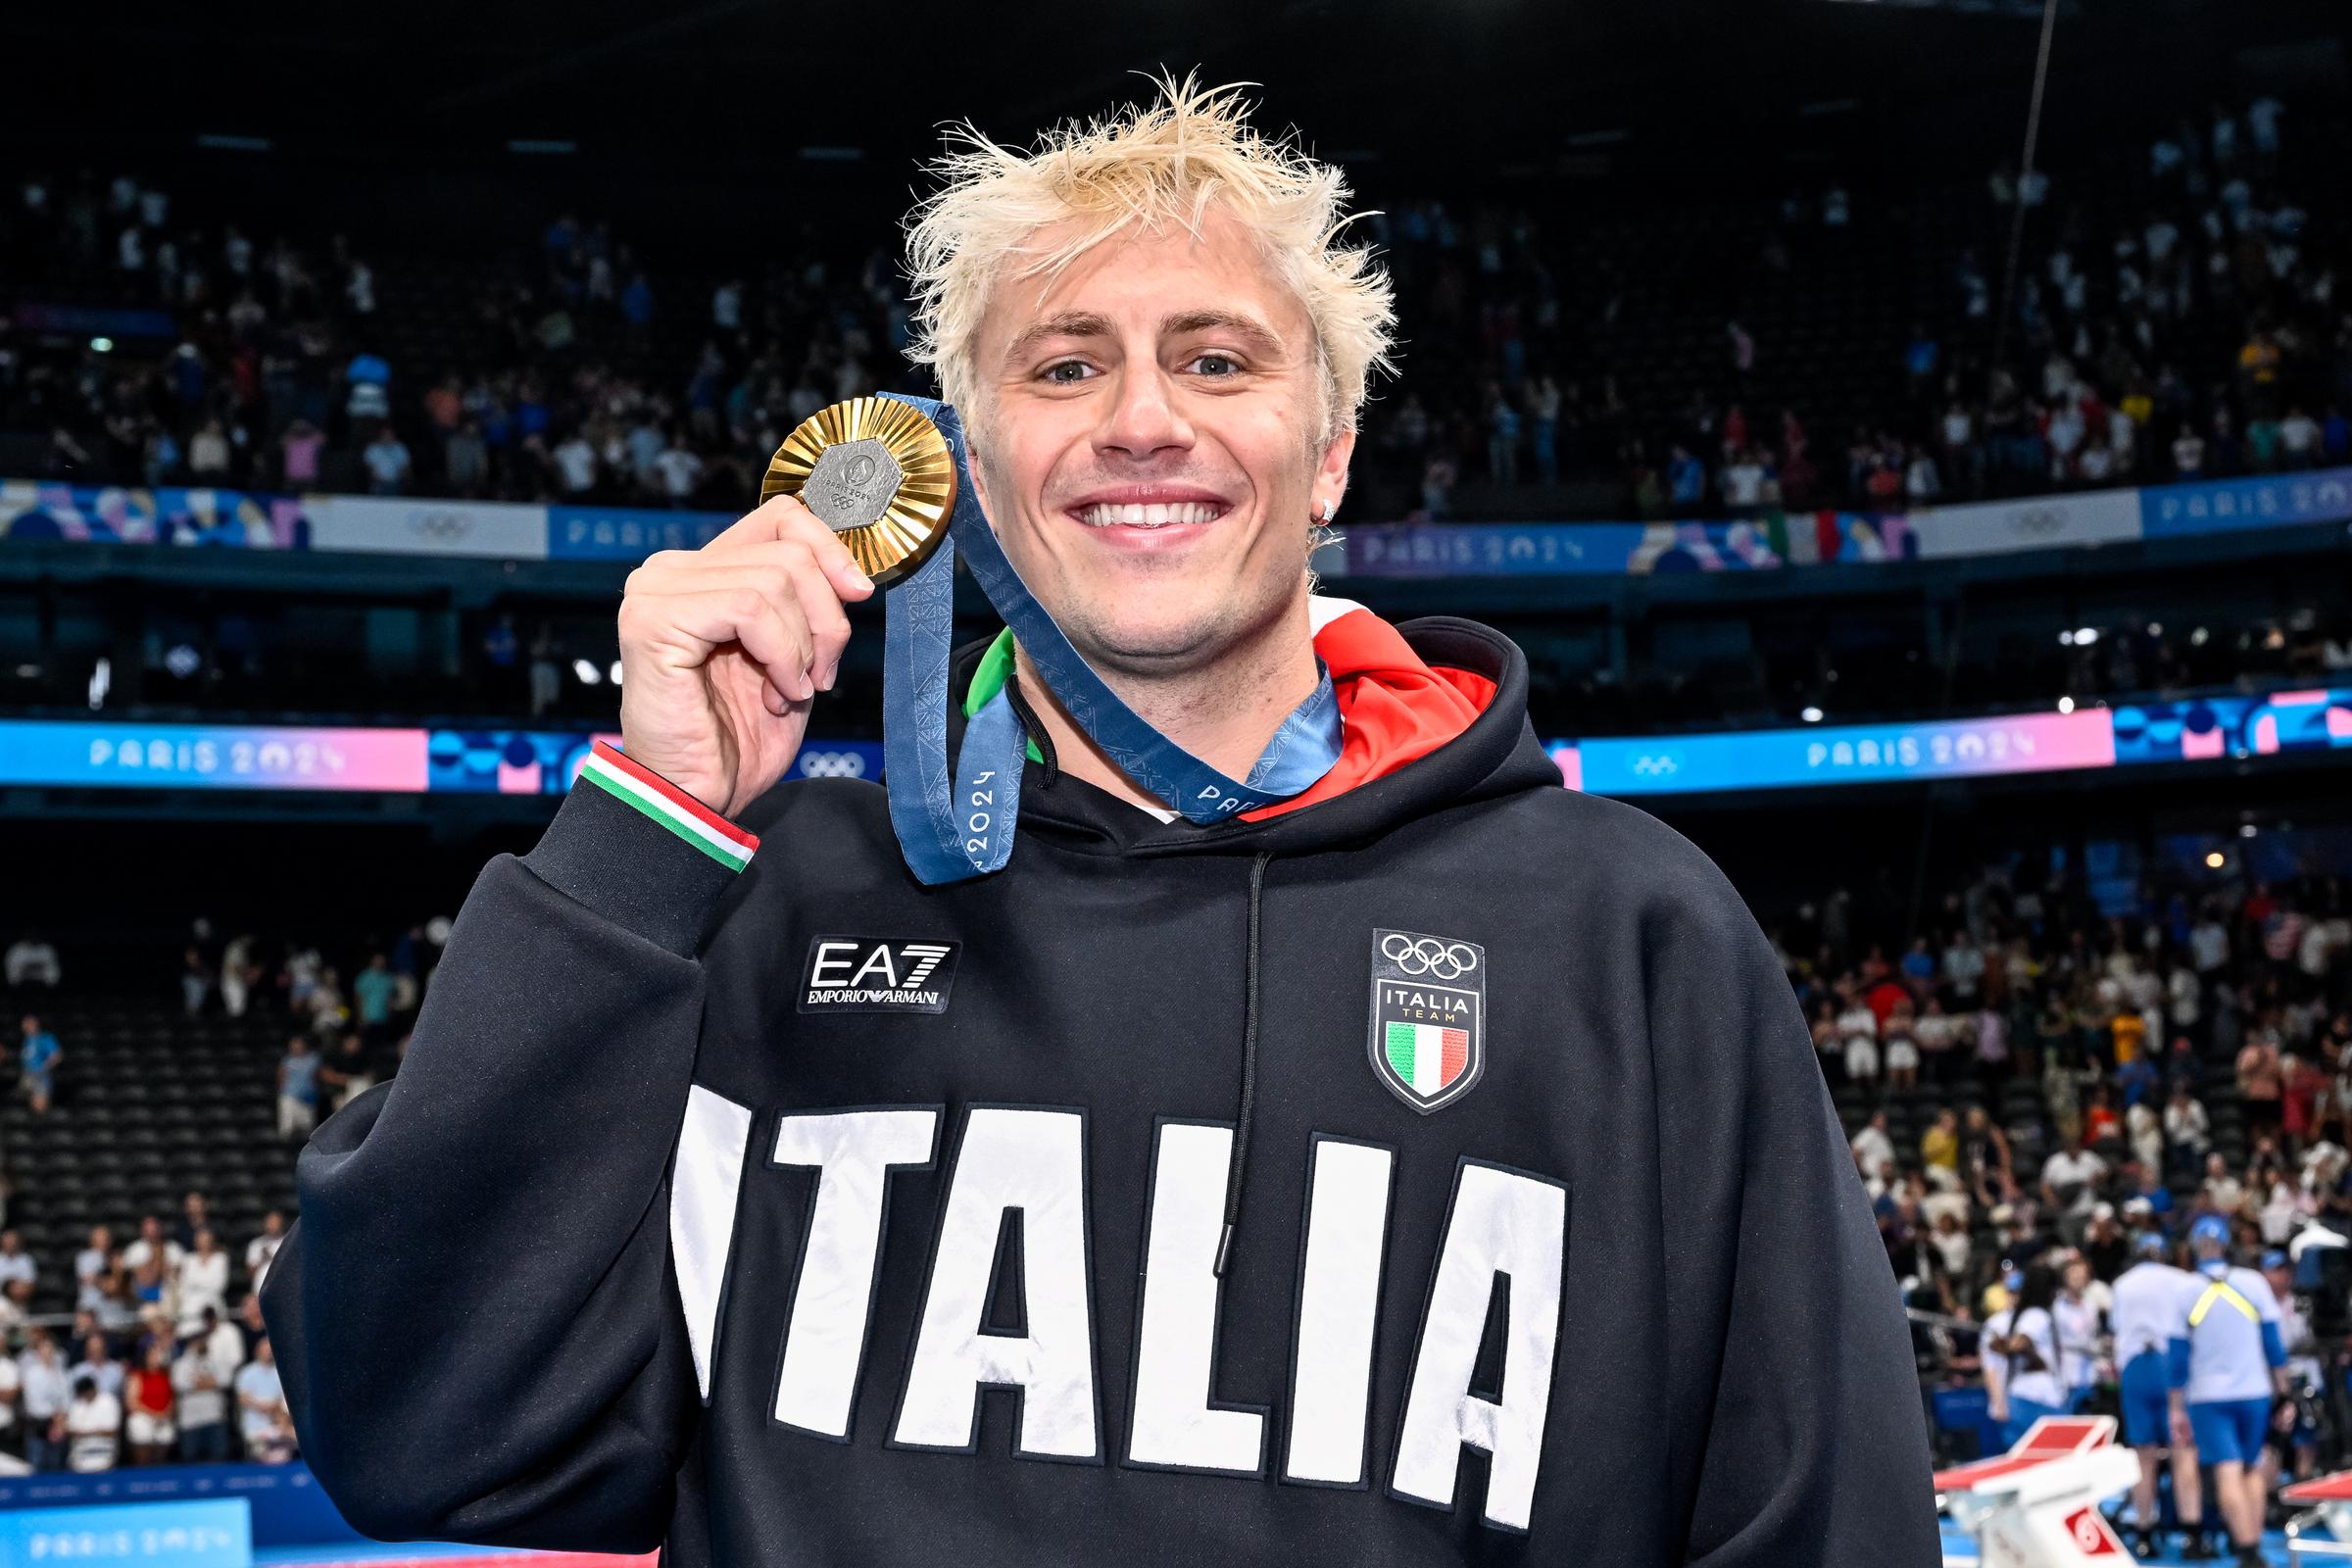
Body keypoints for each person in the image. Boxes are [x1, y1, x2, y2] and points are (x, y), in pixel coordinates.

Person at [259, 75, 1939, 1565]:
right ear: (972, 472)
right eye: (1066, 365)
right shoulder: (770, 916)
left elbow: (1825, 1529)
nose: (1145, 417)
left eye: (1217, 358)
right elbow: (422, 1434)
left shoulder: (1626, 936)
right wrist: (646, 836)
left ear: (1331, 453)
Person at [2169, 1213, 2288, 1568]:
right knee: (2251, 1466)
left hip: (2209, 1397)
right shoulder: (2252, 1282)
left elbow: (2177, 1359)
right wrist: (2284, 1394)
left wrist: (2175, 1407)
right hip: (2254, 1392)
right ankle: (2252, 1545)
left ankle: (2247, 1550)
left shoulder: (2186, 1290)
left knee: (2227, 1469)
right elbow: (2274, 1346)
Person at [2112, 1232, 2203, 1559]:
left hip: (2136, 1367)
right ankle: (2192, 1535)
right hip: (2171, 1366)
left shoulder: (2123, 1284)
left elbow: (2116, 1326)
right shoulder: (2182, 1280)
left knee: (2143, 1456)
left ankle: (2144, 1534)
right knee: (2183, 1450)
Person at [1988, 1262, 2069, 1444]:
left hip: (2030, 1395)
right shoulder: (2036, 1315)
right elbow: (2018, 1344)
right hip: (2036, 1399)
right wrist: (2035, 1359)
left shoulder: (2034, 1314)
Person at [18, 1015, 61, 1114]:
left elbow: (57, 1056)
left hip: (40, 1075)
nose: (24, 1026)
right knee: (30, 1103)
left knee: (40, 1104)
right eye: (24, 1024)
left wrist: (43, 1067)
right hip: (28, 1075)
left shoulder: (45, 1038)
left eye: (27, 1023)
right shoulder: (26, 1040)